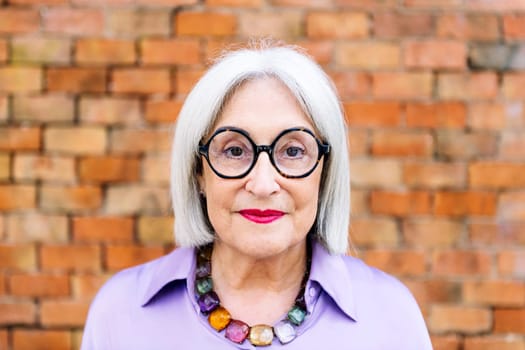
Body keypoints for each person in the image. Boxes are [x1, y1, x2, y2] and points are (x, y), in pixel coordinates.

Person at [81, 41, 432, 349]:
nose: (263, 184)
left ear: (325, 173)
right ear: (198, 171)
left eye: (293, 152)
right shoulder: (120, 312)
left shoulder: (390, 316)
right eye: (234, 151)